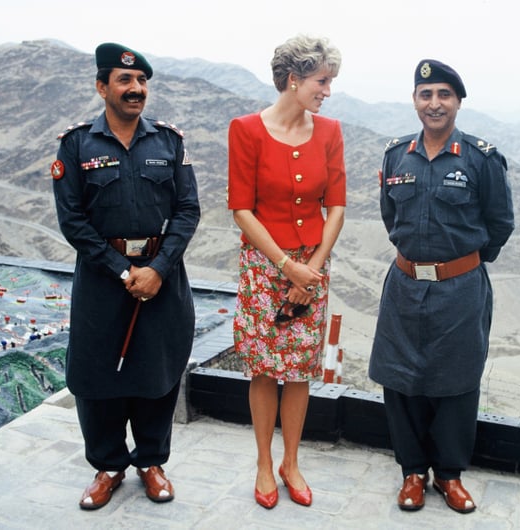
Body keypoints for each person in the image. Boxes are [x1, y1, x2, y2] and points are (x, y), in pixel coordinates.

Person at [51, 42, 200, 510]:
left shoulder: (169, 142)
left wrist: (157, 269)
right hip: (102, 277)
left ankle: (152, 462)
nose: (136, 89)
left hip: (162, 276)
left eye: (140, 82)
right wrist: (121, 270)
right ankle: (108, 465)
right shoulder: (76, 144)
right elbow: (72, 220)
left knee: (157, 370)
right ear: (102, 87)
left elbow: (187, 210)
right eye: (124, 81)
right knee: (96, 373)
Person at [369, 59, 514, 514]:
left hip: (460, 289)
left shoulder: (481, 158)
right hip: (406, 284)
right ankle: (412, 472)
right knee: (402, 380)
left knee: (456, 381)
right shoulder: (396, 156)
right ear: (415, 100)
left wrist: (463, 265)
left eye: (444, 95)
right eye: (426, 95)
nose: (435, 103)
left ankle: (448, 475)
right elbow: (391, 217)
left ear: (458, 102)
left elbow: (500, 224)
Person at [226, 34, 345, 509]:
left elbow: (336, 206)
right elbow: (241, 209)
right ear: (293, 80)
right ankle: (262, 462)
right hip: (265, 266)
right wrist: (285, 264)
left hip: (312, 267)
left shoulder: (331, 131)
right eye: (322, 81)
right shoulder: (246, 130)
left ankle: (290, 462)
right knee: (263, 370)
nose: (327, 91)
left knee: (298, 371)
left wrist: (310, 269)